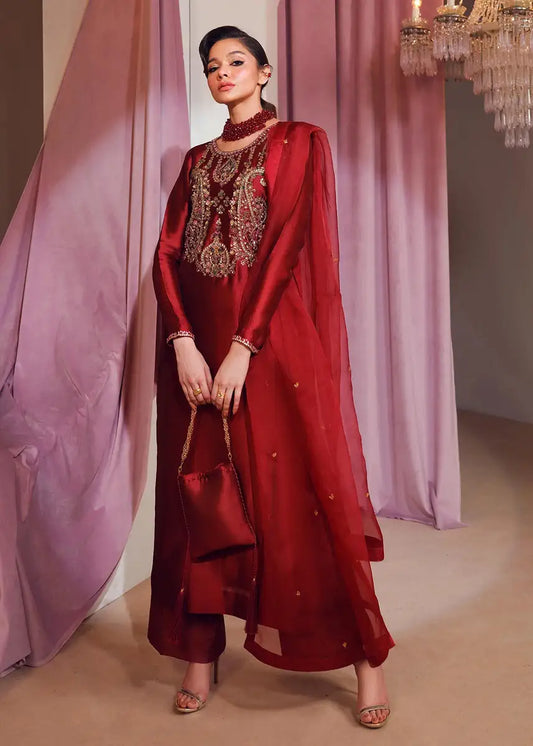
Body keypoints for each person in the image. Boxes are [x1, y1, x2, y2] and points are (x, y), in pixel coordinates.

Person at [148, 25, 395, 729]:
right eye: (211, 66)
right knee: (201, 499)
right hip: (195, 356)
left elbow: (286, 243)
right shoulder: (196, 160)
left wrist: (242, 347)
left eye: (235, 62)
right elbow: (166, 254)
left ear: (263, 72)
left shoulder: (298, 141)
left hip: (269, 346)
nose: (221, 73)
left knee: (300, 500)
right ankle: (200, 655)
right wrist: (183, 342)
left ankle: (366, 658)